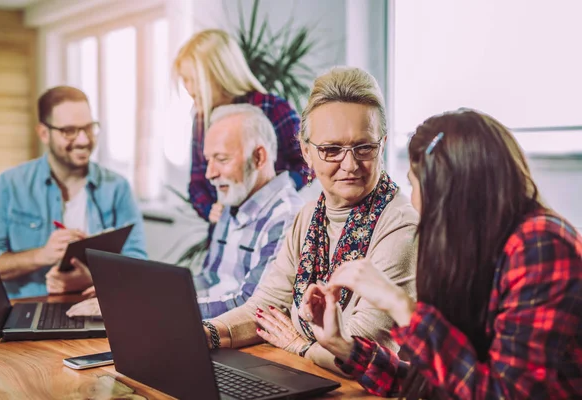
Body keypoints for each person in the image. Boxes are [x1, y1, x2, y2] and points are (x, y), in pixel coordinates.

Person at [302, 109, 582, 398]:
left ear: (449, 189)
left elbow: (503, 393)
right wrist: (343, 346)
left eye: (414, 184)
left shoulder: (541, 247)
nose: (413, 200)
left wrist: (400, 305)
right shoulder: (476, 250)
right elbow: (443, 382)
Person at [199, 67, 419, 374]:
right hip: (308, 374)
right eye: (331, 150)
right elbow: (263, 308)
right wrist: (202, 334)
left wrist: (300, 346)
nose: (350, 164)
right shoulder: (308, 216)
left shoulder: (400, 225)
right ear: (306, 152)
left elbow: (361, 347)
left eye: (364, 147)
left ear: (381, 146)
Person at [67, 104, 304, 318]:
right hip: (206, 329)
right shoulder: (233, 201)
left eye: (221, 159)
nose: (210, 173)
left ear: (259, 157)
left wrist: (138, 304)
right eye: (209, 160)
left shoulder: (286, 217)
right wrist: (132, 290)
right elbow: (208, 280)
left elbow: (250, 307)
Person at [0, 86, 147, 299]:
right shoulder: (9, 185)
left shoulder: (117, 187)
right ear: (44, 133)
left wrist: (91, 278)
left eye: (89, 128)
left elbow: (138, 264)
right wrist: (41, 256)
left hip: (98, 309)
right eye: (69, 131)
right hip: (28, 309)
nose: (83, 140)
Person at [174, 29, 308, 225]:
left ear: (219, 73)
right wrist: (209, 209)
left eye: (192, 79)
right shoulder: (201, 121)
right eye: (184, 79)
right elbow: (197, 183)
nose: (188, 88)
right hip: (225, 232)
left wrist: (276, 192)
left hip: (270, 225)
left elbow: (307, 163)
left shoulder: (273, 109)